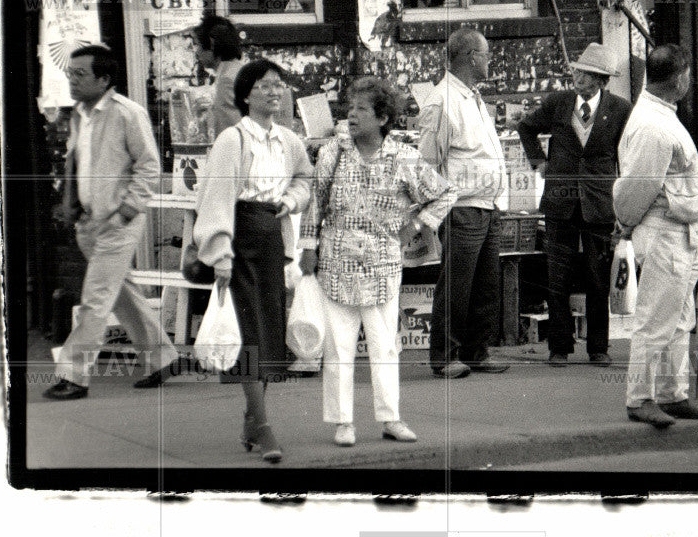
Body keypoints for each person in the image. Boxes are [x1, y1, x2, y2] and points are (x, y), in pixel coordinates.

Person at [299, 77, 454, 447]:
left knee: (385, 345)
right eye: (350, 108)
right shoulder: (333, 153)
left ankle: (391, 418)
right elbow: (315, 202)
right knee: (339, 347)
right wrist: (307, 246)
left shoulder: (405, 157)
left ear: (383, 118)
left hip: (383, 266)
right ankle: (343, 422)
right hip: (336, 264)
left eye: (362, 109)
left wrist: (416, 224)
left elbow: (445, 194)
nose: (352, 115)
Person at [193, 59, 314, 463]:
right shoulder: (233, 139)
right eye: (264, 86)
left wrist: (291, 200)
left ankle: (252, 418)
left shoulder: (288, 139)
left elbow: (304, 178)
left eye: (279, 86)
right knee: (247, 333)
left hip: (272, 241)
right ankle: (262, 427)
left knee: (267, 329)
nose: (274, 92)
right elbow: (216, 197)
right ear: (246, 95)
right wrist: (220, 252)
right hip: (240, 239)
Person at [44, 44, 180, 400]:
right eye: (70, 73)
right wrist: (70, 205)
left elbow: (149, 166)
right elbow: (76, 165)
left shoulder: (127, 114)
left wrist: (126, 212)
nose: (72, 80)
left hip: (118, 222)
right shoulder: (78, 115)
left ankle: (74, 376)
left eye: (80, 74)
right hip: (89, 223)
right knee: (121, 293)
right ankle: (163, 358)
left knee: (95, 299)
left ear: (104, 79)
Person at [613, 44, 698, 428]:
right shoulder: (654, 126)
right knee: (655, 320)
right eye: (689, 75)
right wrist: (625, 222)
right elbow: (635, 188)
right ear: (679, 79)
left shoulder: (660, 117)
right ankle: (639, 398)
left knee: (679, 320)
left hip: (680, 231)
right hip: (663, 232)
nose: (690, 81)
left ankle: (674, 394)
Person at [517, 43, 632, 367]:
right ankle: (559, 347)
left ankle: (598, 348)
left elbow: (628, 152)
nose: (578, 77)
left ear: (600, 80)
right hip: (560, 203)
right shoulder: (558, 102)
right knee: (558, 278)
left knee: (597, 278)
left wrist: (623, 191)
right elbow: (526, 127)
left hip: (598, 204)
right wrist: (538, 161)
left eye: (586, 74)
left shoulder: (621, 109)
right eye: (578, 71)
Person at [418, 27, 510, 379]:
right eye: (486, 54)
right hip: (461, 207)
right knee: (456, 285)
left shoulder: (472, 96)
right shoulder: (442, 102)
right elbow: (426, 166)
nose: (490, 60)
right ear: (472, 57)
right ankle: (444, 355)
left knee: (486, 284)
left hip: (487, 205)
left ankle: (476, 350)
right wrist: (429, 220)